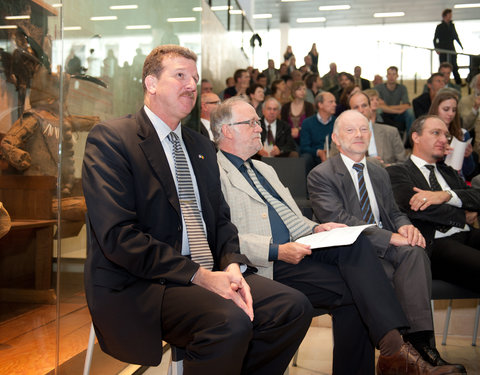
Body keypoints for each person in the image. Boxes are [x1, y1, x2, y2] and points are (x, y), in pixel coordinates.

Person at [81, 45, 313, 374]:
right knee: (229, 322)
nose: (192, 85)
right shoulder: (112, 140)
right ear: (150, 84)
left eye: (195, 78)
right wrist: (202, 277)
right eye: (180, 76)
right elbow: (119, 237)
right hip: (144, 283)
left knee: (292, 307)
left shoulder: (200, 146)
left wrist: (232, 265)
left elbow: (221, 222)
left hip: (209, 271)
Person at [212, 97, 461, 375]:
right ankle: (396, 353)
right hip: (264, 263)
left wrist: (317, 228)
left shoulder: (263, 169)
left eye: (259, 122)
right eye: (252, 123)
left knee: (352, 243)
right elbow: (220, 235)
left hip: (297, 250)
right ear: (227, 130)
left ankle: (393, 351)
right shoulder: (213, 172)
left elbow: (292, 218)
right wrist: (276, 250)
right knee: (357, 289)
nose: (260, 128)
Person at [307, 110, 466, 372]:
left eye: (364, 129)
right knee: (391, 272)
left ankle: (422, 347)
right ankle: (401, 355)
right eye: (350, 130)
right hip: (352, 250)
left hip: (387, 245)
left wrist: (406, 227)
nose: (359, 135)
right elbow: (337, 218)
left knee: (415, 252)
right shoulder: (321, 174)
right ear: (336, 138)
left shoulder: (379, 172)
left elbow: (393, 212)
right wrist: (389, 236)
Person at [387, 115, 480, 296]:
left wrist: (445, 196)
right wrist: (462, 215)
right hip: (435, 243)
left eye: (446, 135)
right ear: (416, 137)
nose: (443, 139)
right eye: (436, 133)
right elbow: (418, 209)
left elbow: (476, 197)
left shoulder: (450, 173)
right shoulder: (397, 171)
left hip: (467, 235)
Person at [330, 92, 406, 167]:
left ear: (370, 108)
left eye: (364, 106)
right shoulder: (340, 135)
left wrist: (385, 167)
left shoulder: (390, 132)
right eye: (356, 107)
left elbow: (403, 164)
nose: (361, 110)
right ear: (350, 110)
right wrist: (367, 162)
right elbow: (333, 164)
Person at [428, 90, 476, 179]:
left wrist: (468, 156)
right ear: (436, 109)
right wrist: (440, 155)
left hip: (457, 182)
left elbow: (468, 171)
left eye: (454, 110)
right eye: (446, 109)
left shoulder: (462, 134)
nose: (451, 114)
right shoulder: (426, 133)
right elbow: (422, 165)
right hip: (433, 180)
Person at [300, 91, 336, 171]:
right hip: (314, 156)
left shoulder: (338, 122)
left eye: (334, 102)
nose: (334, 104)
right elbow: (304, 147)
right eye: (331, 102)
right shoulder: (307, 122)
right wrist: (318, 152)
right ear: (320, 105)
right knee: (305, 158)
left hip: (333, 155)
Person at [375, 66, 415, 135]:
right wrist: (398, 109)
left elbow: (407, 105)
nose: (391, 77)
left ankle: (410, 139)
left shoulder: (402, 88)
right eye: (389, 74)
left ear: (397, 76)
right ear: (386, 76)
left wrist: (387, 107)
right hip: (384, 114)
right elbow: (378, 106)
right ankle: (377, 135)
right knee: (378, 110)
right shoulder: (378, 88)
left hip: (397, 115)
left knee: (410, 112)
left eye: (394, 74)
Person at [434, 9, 463, 86]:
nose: (450, 17)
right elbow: (435, 38)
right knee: (443, 66)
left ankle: (458, 82)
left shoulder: (452, 25)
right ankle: (442, 82)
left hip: (451, 48)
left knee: (454, 65)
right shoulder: (439, 26)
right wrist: (437, 48)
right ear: (445, 16)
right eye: (449, 15)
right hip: (443, 49)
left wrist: (460, 45)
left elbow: (455, 36)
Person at [281, 80, 315, 145]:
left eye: (304, 89)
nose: (303, 92)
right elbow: (283, 124)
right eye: (299, 89)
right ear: (293, 91)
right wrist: (290, 131)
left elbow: (310, 124)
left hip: (305, 138)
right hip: (288, 138)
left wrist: (299, 130)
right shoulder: (286, 107)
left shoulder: (309, 106)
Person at [459, 73, 480, 153]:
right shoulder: (465, 101)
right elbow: (464, 124)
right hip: (472, 145)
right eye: (479, 84)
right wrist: (475, 108)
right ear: (474, 86)